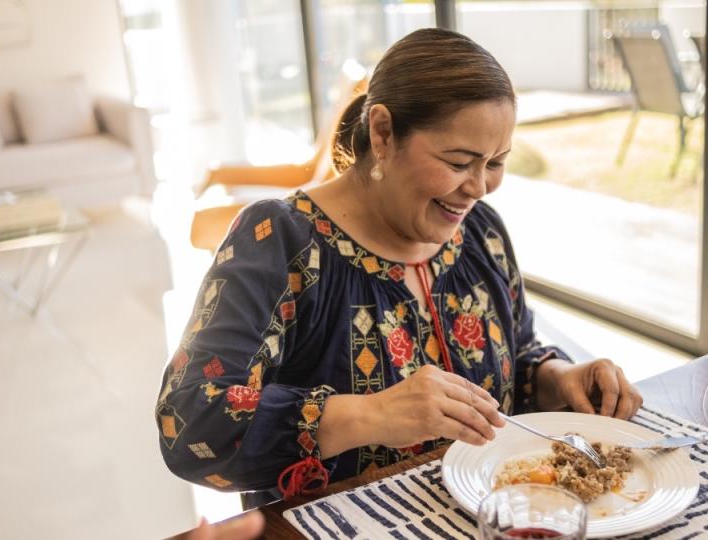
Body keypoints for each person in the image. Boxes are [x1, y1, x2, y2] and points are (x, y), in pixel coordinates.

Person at [155, 28, 643, 502]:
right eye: (458, 161)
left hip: (500, 510)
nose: (479, 187)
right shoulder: (280, 241)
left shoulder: (481, 233)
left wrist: (561, 377)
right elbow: (191, 424)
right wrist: (373, 414)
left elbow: (518, 353)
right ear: (383, 132)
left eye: (495, 162)